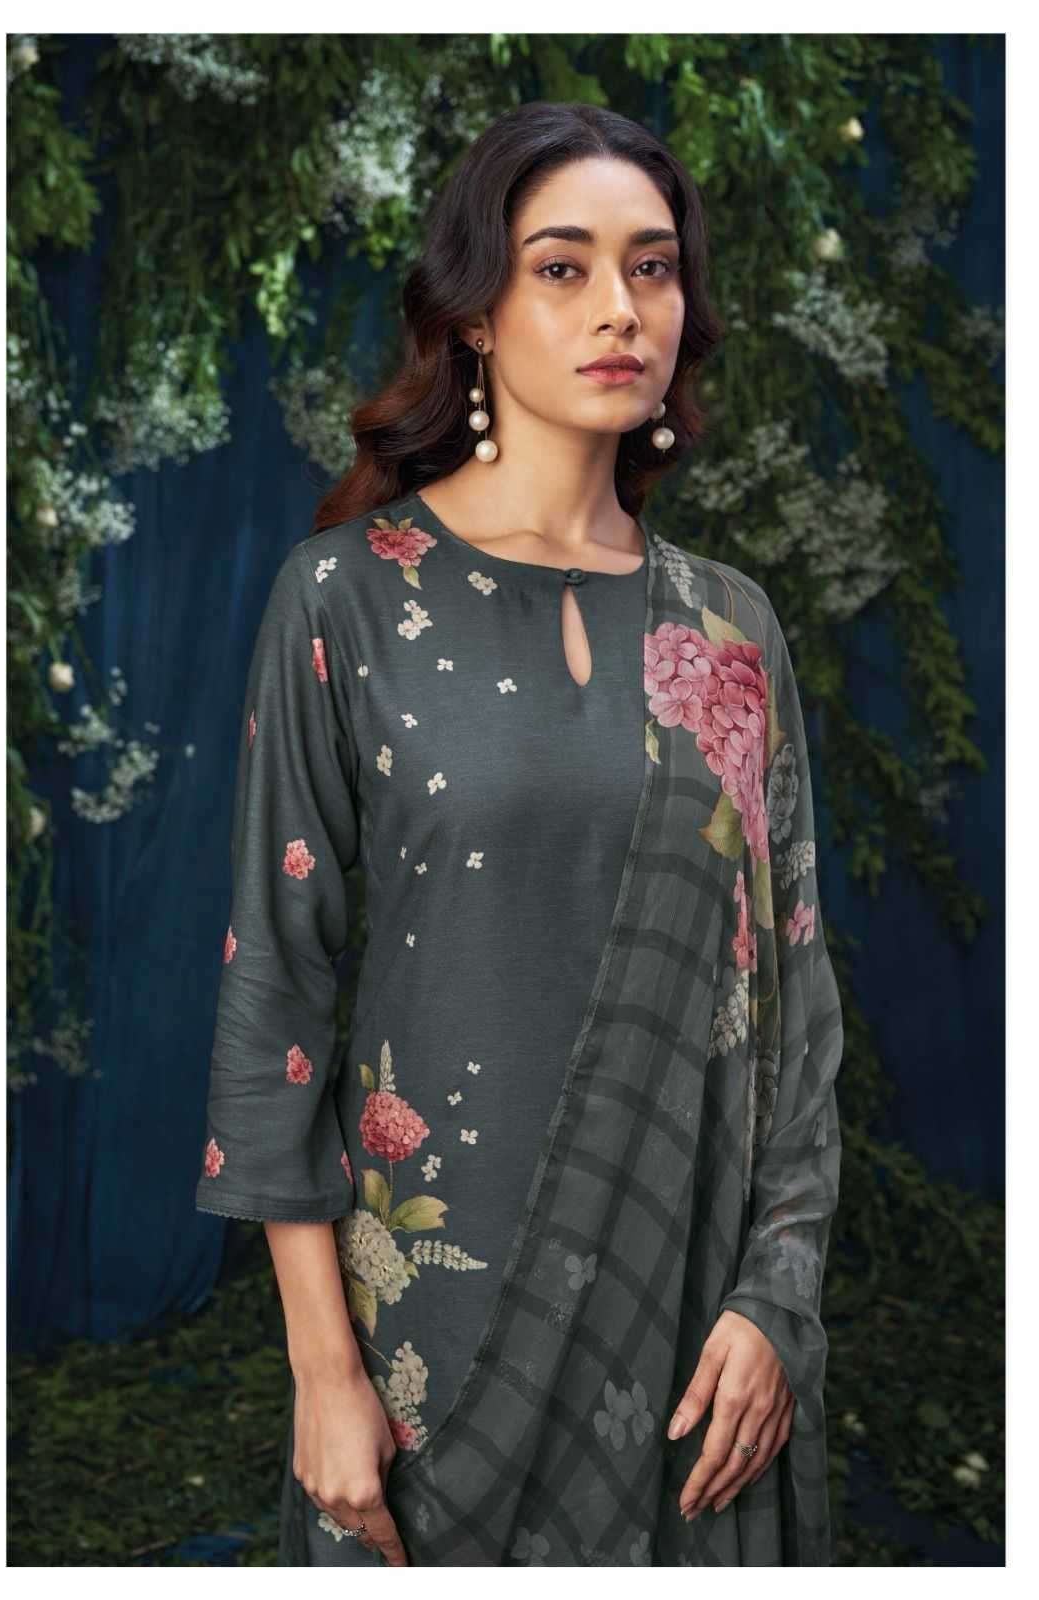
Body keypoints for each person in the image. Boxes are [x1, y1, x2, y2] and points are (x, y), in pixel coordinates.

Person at [195, 99, 844, 1567]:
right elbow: (276, 993)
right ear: (476, 312)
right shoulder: (346, 598)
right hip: (434, 1320)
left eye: (652, 266)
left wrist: (774, 1301)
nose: (622, 308)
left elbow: (795, 1004)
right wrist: (322, 1371)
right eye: (563, 267)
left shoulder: (731, 628)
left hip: (692, 1319)